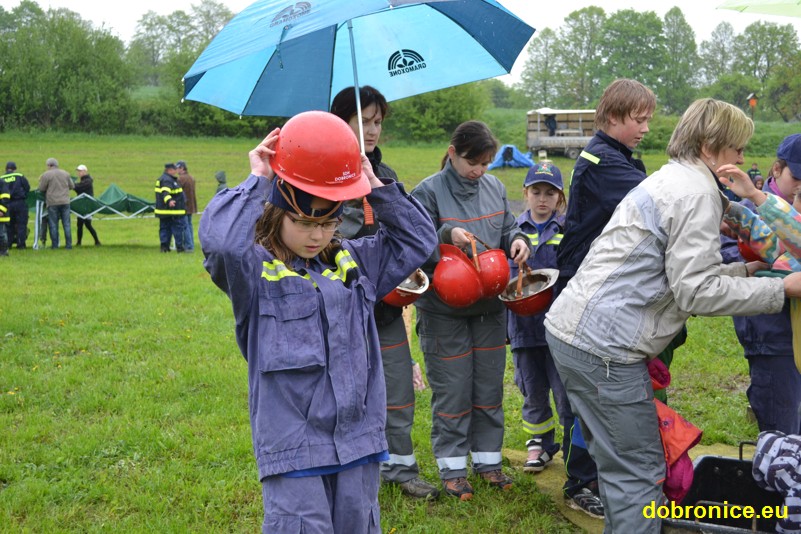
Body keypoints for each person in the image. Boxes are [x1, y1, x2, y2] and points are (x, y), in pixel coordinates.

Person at [544, 98, 801, 533]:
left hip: (578, 334)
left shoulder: (674, 178)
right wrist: (780, 289)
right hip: (605, 349)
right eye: (736, 147)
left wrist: (746, 269)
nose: (742, 158)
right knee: (640, 472)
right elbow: (696, 291)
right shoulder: (696, 194)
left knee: (620, 465)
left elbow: (676, 274)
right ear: (709, 145)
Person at [199, 111, 437, 532]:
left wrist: (373, 183)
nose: (317, 235)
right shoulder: (256, 273)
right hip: (294, 451)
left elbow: (418, 239)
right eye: (305, 223)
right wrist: (258, 179)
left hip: (358, 443)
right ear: (276, 213)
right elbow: (221, 246)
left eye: (327, 223)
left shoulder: (357, 263)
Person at [554, 78, 658, 518]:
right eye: (639, 119)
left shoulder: (618, 157)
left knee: (607, 394)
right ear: (613, 116)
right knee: (592, 395)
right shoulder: (602, 162)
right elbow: (655, 202)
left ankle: (605, 472)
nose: (646, 128)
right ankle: (580, 480)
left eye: (649, 119)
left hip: (607, 293)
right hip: (587, 293)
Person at [411, 120, 530, 500]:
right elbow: (412, 243)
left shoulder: (494, 187)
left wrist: (518, 241)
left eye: (485, 163)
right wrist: (448, 237)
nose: (479, 171)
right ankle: (453, 469)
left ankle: (489, 463)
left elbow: (509, 226)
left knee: (488, 388)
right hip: (444, 310)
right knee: (454, 390)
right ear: (452, 153)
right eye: (472, 162)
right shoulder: (427, 192)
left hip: (490, 307)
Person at [330, 85, 439, 500]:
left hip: (388, 310)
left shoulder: (386, 173)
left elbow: (417, 237)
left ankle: (400, 468)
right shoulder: (326, 173)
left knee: (397, 387)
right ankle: (355, 468)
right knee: (349, 391)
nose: (373, 130)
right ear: (343, 121)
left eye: (378, 122)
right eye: (365, 121)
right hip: (342, 306)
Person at [720, 133, 801, 435]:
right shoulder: (761, 207)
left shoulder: (767, 207)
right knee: (784, 431)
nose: (798, 192)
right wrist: (732, 208)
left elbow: (783, 249)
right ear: (777, 169)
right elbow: (775, 247)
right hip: (771, 335)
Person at [507, 162, 570, 475]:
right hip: (523, 327)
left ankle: (573, 445)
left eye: (550, 193)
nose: (542, 199)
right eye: (536, 192)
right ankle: (538, 444)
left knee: (563, 388)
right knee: (531, 387)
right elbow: (505, 278)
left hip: (559, 327)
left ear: (560, 197)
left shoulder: (566, 231)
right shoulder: (514, 232)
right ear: (525, 194)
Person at [38, 158, 74, 249]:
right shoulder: (66, 173)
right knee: (66, 224)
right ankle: (68, 245)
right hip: (65, 202)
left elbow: (41, 188)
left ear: (49, 165)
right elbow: (72, 186)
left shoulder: (46, 175)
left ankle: (55, 245)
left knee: (53, 224)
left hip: (52, 202)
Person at [154, 163, 186, 253]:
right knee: (176, 229)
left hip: (165, 211)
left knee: (165, 229)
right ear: (169, 170)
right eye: (174, 169)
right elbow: (165, 192)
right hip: (171, 211)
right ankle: (179, 248)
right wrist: (169, 201)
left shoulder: (166, 179)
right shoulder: (167, 180)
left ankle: (165, 247)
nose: (176, 171)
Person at [2, 162, 30, 249]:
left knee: (9, 225)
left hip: (7, 204)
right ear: (14, 169)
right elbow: (27, 187)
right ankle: (21, 244)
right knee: (21, 224)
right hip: (20, 202)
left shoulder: (1, 178)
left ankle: (8, 244)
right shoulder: (19, 175)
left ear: (6, 169)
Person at [73, 164, 101, 246]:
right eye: (78, 171)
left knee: (87, 224)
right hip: (82, 205)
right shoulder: (83, 181)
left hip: (87, 206)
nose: (79, 173)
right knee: (80, 224)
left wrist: (72, 185)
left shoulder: (88, 181)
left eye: (80, 171)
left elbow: (79, 188)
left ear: (85, 171)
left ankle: (97, 241)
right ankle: (79, 242)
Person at [176, 160, 197, 252]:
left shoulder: (180, 179)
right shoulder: (191, 178)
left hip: (183, 206)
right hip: (191, 206)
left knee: (185, 227)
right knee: (189, 225)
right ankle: (191, 244)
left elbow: (178, 194)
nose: (177, 170)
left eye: (178, 168)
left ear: (182, 168)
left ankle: (189, 246)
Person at [0, 175, 10, 256]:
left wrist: (2, 210)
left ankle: (4, 251)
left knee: (1, 234)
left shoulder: (2, 183)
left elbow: (6, 198)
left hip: (1, 214)